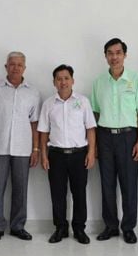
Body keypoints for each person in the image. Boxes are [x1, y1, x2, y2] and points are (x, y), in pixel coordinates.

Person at [91, 37, 138, 244]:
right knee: (107, 184)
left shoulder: (136, 79)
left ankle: (128, 227)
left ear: (125, 55)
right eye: (110, 53)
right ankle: (110, 226)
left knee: (129, 184)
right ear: (105, 56)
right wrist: (95, 144)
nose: (114, 57)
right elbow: (95, 114)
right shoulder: (99, 82)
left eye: (118, 53)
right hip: (105, 136)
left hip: (128, 137)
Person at [0, 52, 41, 242]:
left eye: (19, 65)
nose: (15, 68)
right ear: (6, 66)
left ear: (24, 68)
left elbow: (35, 123)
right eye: (12, 64)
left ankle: (17, 226)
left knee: (21, 189)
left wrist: (36, 149)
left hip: (23, 148)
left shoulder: (33, 92)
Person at [38, 64, 97, 244]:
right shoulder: (48, 104)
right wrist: (43, 155)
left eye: (66, 78)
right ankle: (60, 228)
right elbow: (43, 132)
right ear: (54, 82)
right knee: (57, 193)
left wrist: (91, 152)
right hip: (56, 155)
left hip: (79, 155)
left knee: (79, 193)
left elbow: (90, 128)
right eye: (59, 79)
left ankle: (79, 229)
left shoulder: (83, 101)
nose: (63, 82)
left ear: (73, 80)